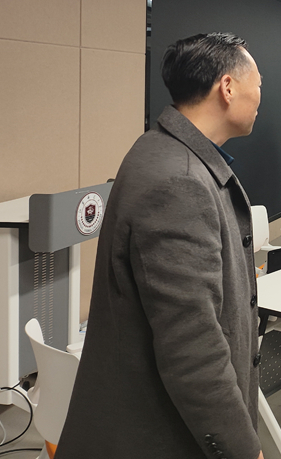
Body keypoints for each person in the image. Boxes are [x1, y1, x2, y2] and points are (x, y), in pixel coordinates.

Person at [56, 33, 265, 459]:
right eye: (258, 84)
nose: (261, 96)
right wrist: (243, 450)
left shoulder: (160, 149)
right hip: (154, 436)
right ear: (227, 87)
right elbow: (193, 350)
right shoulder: (181, 182)